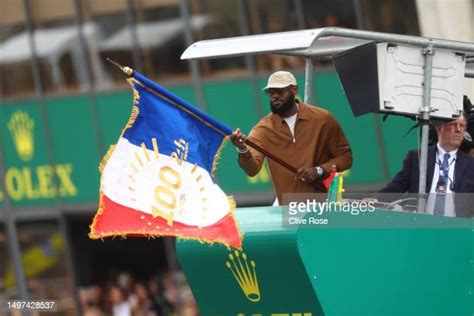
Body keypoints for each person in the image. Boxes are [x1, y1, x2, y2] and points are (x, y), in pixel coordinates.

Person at [230, 71, 353, 204]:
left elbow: (345, 158)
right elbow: (252, 170)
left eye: (280, 91)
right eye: (271, 92)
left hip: (324, 205)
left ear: (294, 90)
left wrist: (319, 170)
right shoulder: (262, 129)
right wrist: (242, 148)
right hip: (288, 210)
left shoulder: (323, 119)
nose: (275, 96)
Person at [380, 115, 474, 218]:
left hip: (457, 229)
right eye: (454, 125)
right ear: (439, 128)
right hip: (421, 225)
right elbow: (396, 187)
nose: (459, 130)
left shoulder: (470, 164)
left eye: (462, 126)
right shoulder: (417, 157)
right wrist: (375, 200)